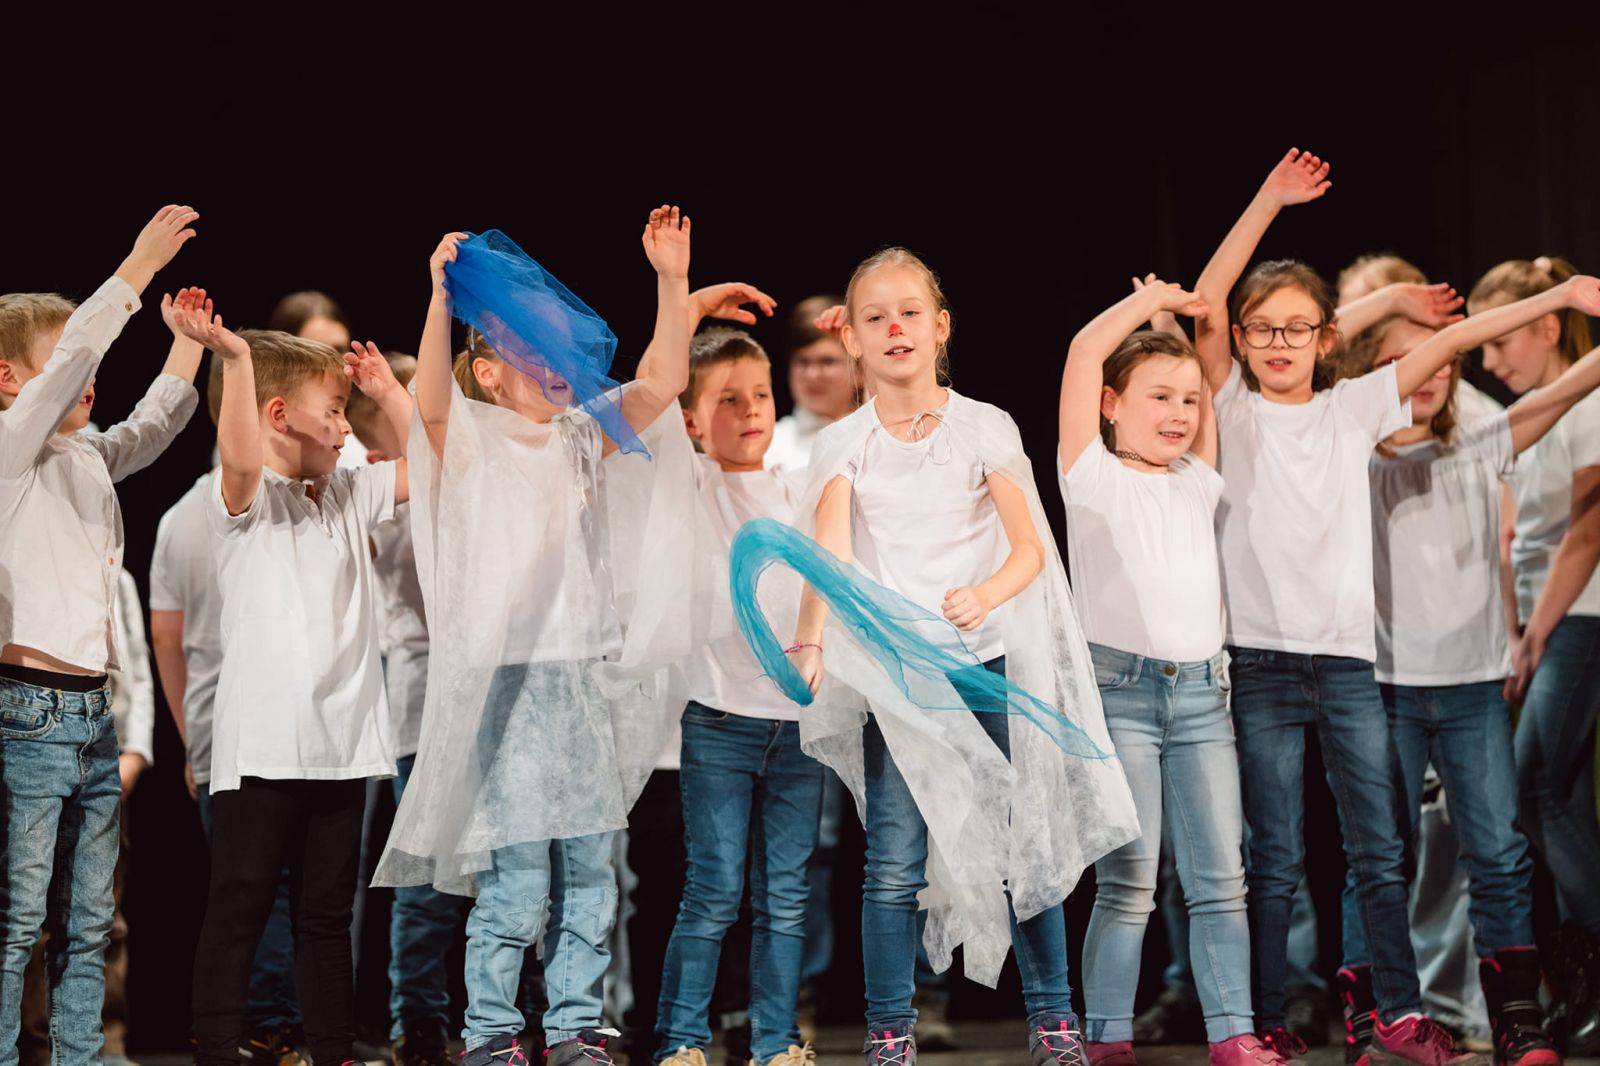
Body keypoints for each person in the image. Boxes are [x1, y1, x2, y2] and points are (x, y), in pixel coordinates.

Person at [776, 246, 1139, 1066]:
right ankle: (888, 1030)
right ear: (852, 338)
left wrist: (987, 592)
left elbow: (1030, 547)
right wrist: (811, 639)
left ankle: (1053, 1021)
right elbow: (827, 556)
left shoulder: (984, 425)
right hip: (902, 679)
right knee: (893, 860)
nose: (894, 327)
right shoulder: (845, 443)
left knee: (1022, 844)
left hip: (986, 663)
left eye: (910, 312)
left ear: (940, 326)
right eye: (875, 317)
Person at [373, 207, 712, 1066]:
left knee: (592, 870)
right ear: (489, 373)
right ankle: (492, 1030)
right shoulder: (469, 444)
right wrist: (439, 299)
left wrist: (672, 280)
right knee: (517, 875)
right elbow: (430, 404)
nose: (554, 361)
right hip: (508, 680)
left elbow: (662, 382)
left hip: (579, 676)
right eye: (529, 349)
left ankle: (573, 1026)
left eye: (556, 345)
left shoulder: (579, 437)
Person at [1190, 148, 1486, 1064]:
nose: (1278, 342)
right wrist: (1268, 201)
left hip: (1350, 665)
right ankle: (1267, 1020)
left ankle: (1397, 1011)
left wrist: (1555, 298)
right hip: (1261, 662)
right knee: (1274, 859)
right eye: (1262, 329)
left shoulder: (1352, 407)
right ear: (1243, 341)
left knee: (1380, 851)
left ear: (1326, 339)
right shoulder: (1229, 406)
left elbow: (1450, 344)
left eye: (1298, 328)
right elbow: (1208, 298)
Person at [1337, 277, 1600, 1064]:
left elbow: (1570, 385)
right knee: (1378, 857)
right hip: (1384, 690)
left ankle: (1515, 1018)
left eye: (1442, 362)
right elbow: (1313, 356)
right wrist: (1389, 304)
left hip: (1472, 692)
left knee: (1498, 854)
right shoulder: (1345, 452)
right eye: (1407, 362)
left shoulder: (1481, 440)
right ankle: (1376, 1022)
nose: (1432, 374)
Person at [173, 290, 413, 1066]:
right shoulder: (244, 500)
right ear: (279, 415)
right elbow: (243, 454)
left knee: (324, 916)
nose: (346, 428)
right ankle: (218, 1048)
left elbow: (449, 466)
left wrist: (390, 396)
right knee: (239, 906)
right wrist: (239, 359)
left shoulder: (350, 492)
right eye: (334, 412)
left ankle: (331, 1049)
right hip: (264, 750)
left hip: (341, 749)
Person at [1059, 278, 1282, 1066]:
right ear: (1111, 405)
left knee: (1221, 878)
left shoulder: (1197, 478)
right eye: (1159, 397)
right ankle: (1107, 1037)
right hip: (1120, 694)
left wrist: (1174, 326)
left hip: (1202, 698)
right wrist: (1147, 303)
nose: (1180, 412)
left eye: (1189, 399)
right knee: (1129, 881)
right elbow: (1085, 351)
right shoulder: (1091, 473)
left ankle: (1233, 1033)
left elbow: (1202, 381)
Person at [0, 205, 201, 1066]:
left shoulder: (82, 456)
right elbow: (80, 351)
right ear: (11, 378)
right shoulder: (10, 448)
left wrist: (184, 346)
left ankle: (80, 1058)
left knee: (87, 921)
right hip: (29, 713)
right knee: (18, 918)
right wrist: (135, 269)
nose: (85, 379)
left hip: (91, 716)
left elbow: (150, 429)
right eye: (61, 367)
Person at [1470, 256, 1600, 1057]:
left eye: (1502, 340)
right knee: (1560, 797)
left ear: (1549, 327)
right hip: (1544, 625)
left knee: (1534, 787)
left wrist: (1535, 636)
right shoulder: (1531, 419)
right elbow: (1515, 539)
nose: (1489, 359)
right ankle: (1581, 985)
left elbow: (1585, 536)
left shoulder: (1590, 406)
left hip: (1582, 616)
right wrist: (1513, 631)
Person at [766, 295, 858, 471]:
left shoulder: (882, 438)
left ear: (860, 371)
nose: (812, 375)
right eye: (802, 362)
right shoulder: (767, 445)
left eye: (827, 361)